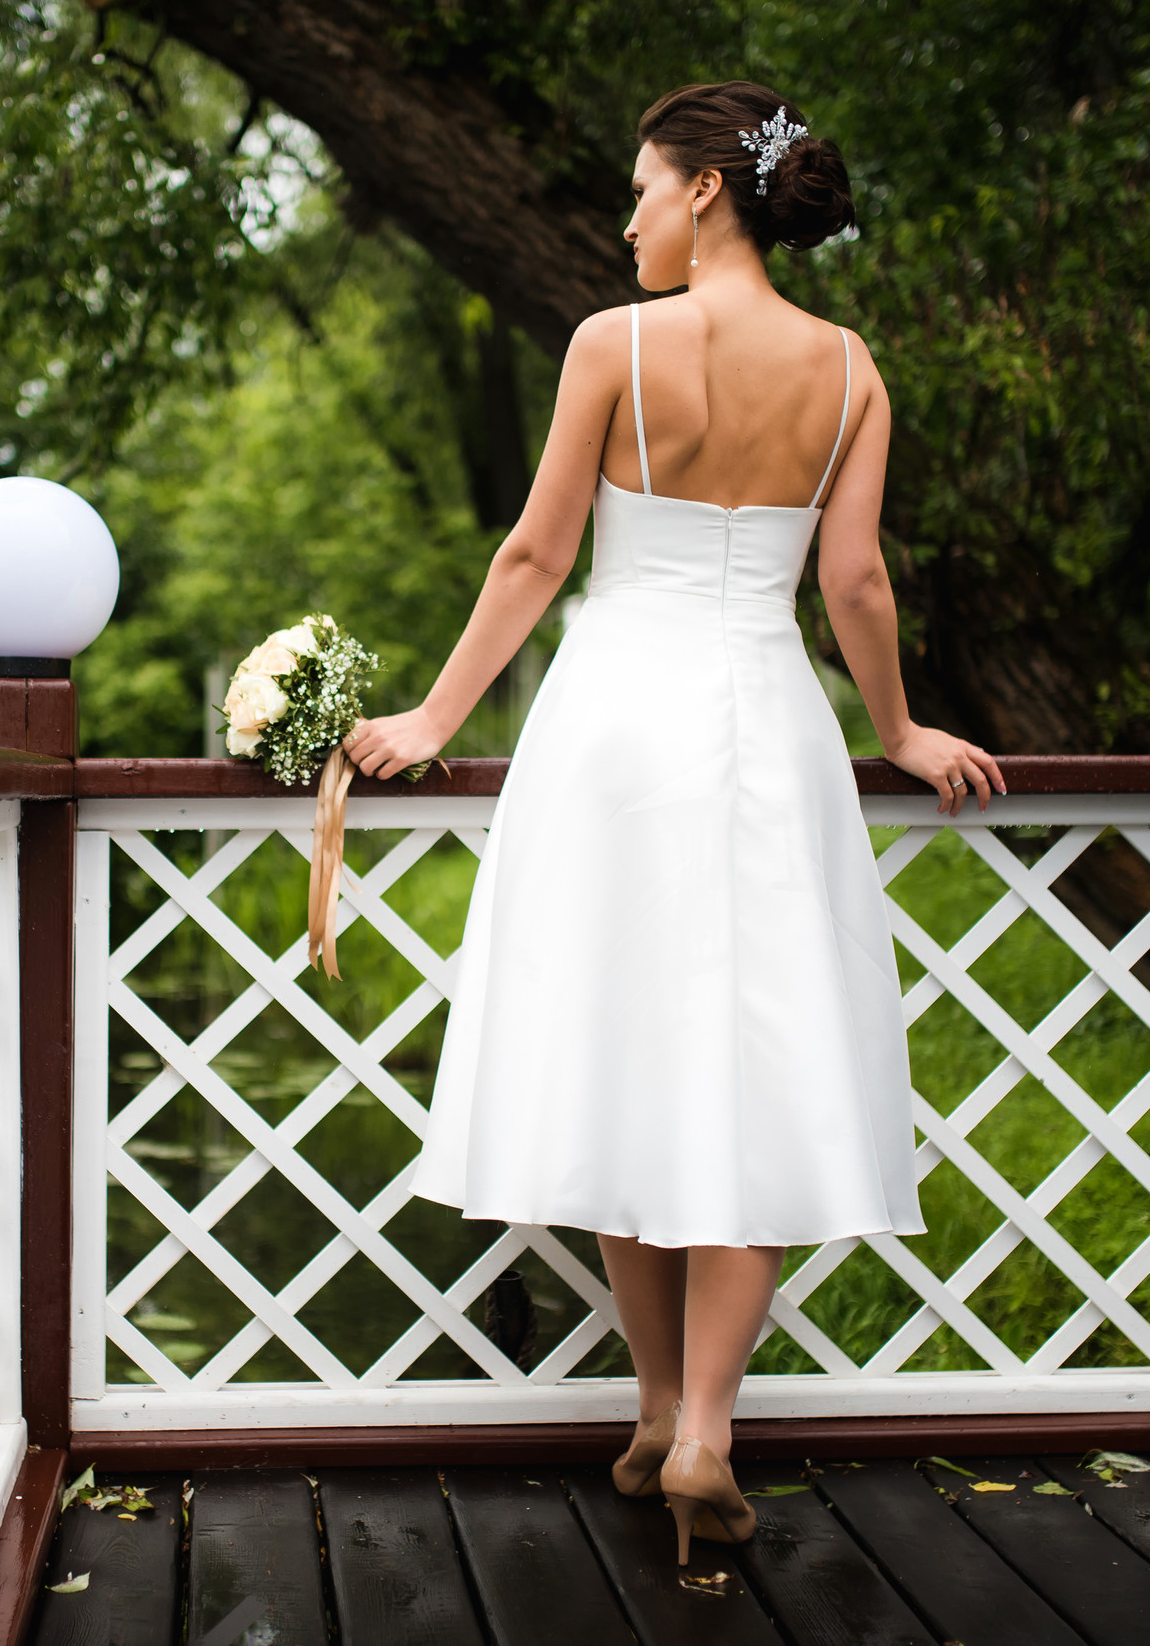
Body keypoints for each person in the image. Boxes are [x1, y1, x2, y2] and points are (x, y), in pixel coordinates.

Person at [344, 80, 1005, 1564]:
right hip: (768, 725)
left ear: (708, 189)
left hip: (612, 731)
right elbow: (856, 589)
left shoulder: (613, 346)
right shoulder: (848, 371)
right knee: (754, 1060)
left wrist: (434, 722)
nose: (627, 216)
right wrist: (898, 729)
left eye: (643, 187)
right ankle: (700, 1422)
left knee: (622, 1042)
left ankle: (652, 1406)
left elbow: (535, 551)